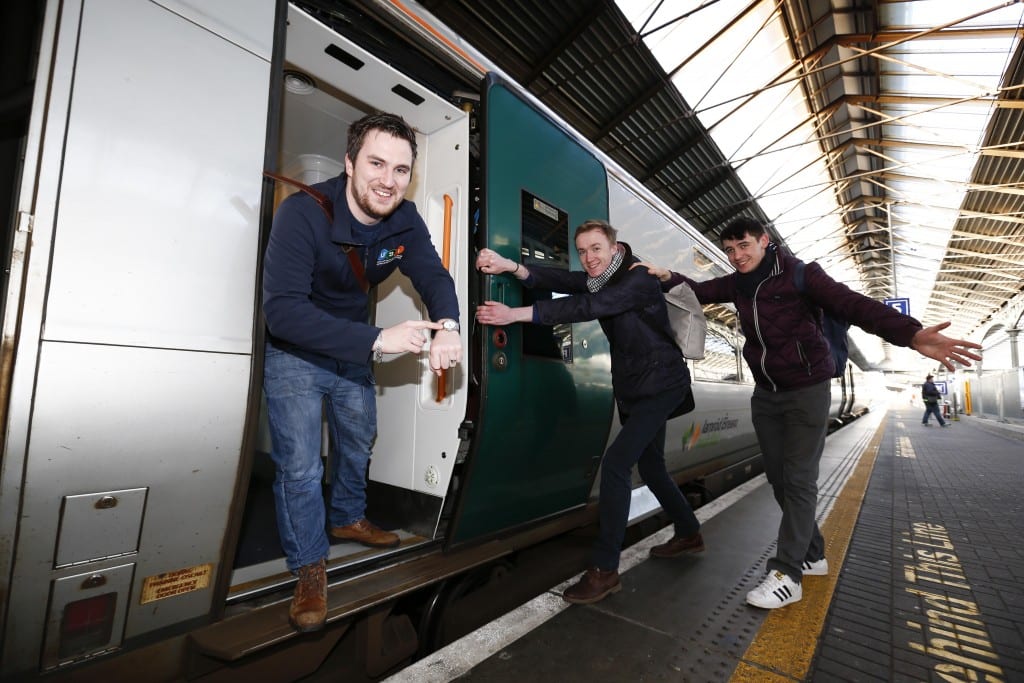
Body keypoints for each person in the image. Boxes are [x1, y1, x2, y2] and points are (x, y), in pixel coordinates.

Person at [637, 216, 981, 609]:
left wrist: (912, 334)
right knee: (779, 480)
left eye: (744, 246)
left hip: (807, 391)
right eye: (730, 250)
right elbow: (699, 291)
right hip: (767, 395)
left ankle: (787, 574)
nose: (737, 256)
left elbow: (856, 305)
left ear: (764, 240)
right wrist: (667, 276)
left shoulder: (802, 275)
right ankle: (813, 555)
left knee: (799, 480)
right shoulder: (737, 283)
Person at [262, 112, 462, 632]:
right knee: (301, 467)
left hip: (350, 350)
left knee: (358, 439)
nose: (388, 180)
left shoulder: (404, 219)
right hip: (295, 349)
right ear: (350, 163)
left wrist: (449, 326)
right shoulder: (303, 213)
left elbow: (434, 276)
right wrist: (377, 340)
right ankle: (310, 565)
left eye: (401, 169)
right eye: (376, 163)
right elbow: (282, 312)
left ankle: (348, 516)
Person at [475, 219, 704, 605]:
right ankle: (689, 532)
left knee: (616, 464)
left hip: (662, 385)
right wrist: (510, 266)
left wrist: (515, 315)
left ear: (614, 248)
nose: (588, 258)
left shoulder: (637, 279)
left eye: (596, 249)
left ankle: (605, 570)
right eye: (582, 251)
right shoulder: (601, 278)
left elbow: (587, 306)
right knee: (651, 468)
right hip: (637, 388)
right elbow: (564, 280)